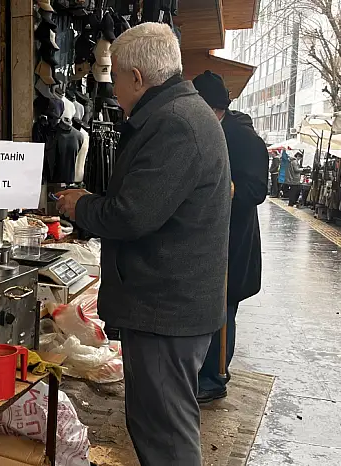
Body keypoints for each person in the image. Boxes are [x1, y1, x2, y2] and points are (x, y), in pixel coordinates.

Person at [55, 23, 230, 465]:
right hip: (168, 306)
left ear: (136, 77)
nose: (113, 89)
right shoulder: (178, 114)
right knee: (158, 425)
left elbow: (133, 214)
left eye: (115, 77)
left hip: (166, 310)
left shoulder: (175, 124)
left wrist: (81, 206)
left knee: (165, 435)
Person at [191, 70, 269, 403]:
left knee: (224, 310)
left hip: (233, 240)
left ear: (214, 108)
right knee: (209, 308)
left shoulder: (244, 139)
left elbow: (257, 190)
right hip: (209, 237)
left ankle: (215, 376)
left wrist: (222, 187)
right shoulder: (206, 130)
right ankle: (202, 371)